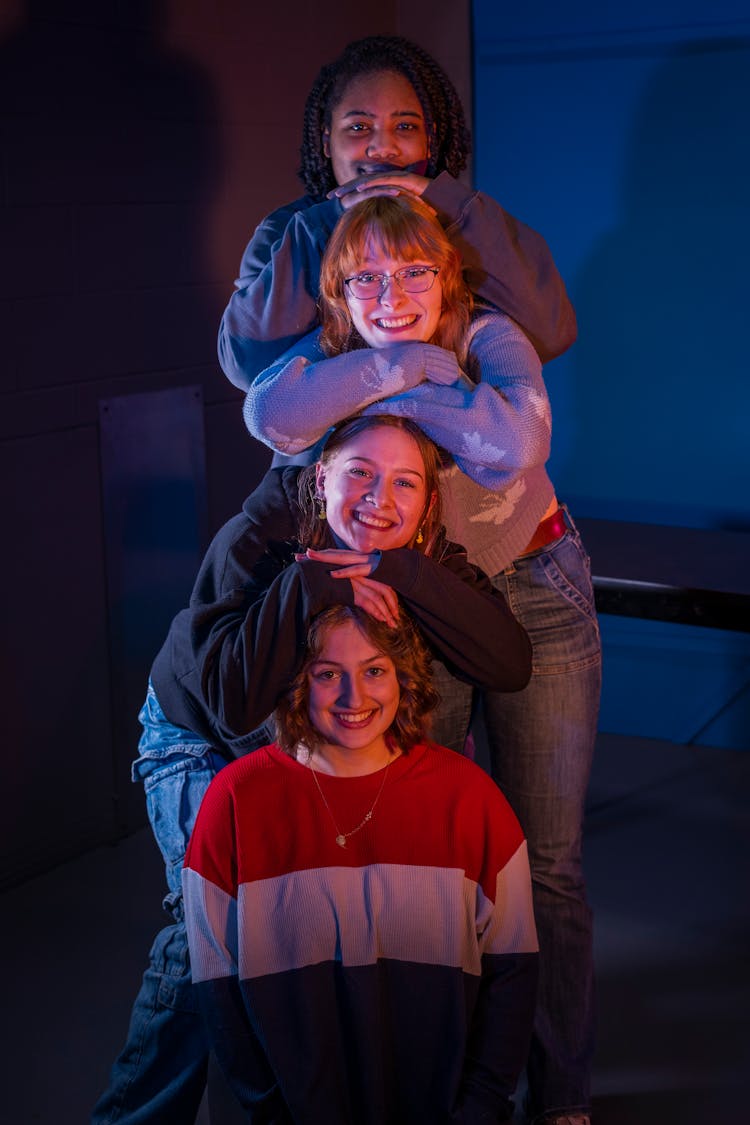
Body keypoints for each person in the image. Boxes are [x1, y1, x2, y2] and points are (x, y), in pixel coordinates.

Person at [243, 191, 601, 1125]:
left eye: (414, 273)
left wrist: (378, 385)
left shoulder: (489, 336)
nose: (392, 292)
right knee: (429, 853)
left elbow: (511, 444)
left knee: (547, 863)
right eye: (367, 276)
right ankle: (446, 1085)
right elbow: (271, 418)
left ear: (447, 276)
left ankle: (560, 1098)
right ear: (339, 288)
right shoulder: (344, 348)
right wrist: (401, 367)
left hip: (532, 581)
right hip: (427, 596)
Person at [92, 413, 532, 1125]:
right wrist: (316, 585)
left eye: (404, 483)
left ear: (427, 504)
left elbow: (509, 663)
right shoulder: (257, 537)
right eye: (359, 472)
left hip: (305, 733)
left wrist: (398, 571)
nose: (378, 499)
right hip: (199, 734)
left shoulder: (418, 551)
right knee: (203, 930)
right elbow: (233, 703)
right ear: (321, 475)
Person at [183, 603, 540, 1124]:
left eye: (374, 670)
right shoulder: (234, 801)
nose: (354, 697)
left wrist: (482, 1106)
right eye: (328, 674)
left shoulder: (471, 799)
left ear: (404, 676)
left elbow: (513, 973)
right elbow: (216, 987)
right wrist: (267, 1109)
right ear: (296, 681)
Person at [217, 35, 576, 395]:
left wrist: (445, 203)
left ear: (430, 139)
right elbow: (249, 368)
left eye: (405, 126)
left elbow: (551, 332)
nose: (382, 147)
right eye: (359, 127)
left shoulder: (465, 222)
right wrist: (326, 223)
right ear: (326, 141)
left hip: (449, 447)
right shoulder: (289, 231)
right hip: (331, 452)